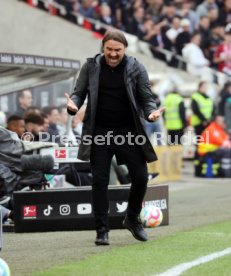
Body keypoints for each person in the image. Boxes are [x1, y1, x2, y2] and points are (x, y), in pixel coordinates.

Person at [65, 30, 164, 246]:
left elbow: (146, 97)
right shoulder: (91, 66)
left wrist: (150, 112)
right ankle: (102, 230)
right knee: (99, 181)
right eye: (109, 49)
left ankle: (132, 218)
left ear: (124, 50)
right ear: (103, 47)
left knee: (140, 177)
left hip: (129, 133)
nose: (112, 54)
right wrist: (73, 105)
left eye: (117, 50)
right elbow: (78, 93)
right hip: (99, 132)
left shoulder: (136, 67)